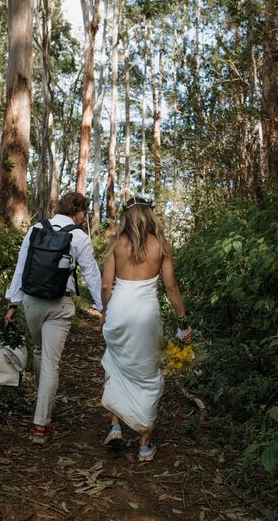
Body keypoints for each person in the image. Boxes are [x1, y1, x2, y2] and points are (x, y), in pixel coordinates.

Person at [99, 197, 192, 462]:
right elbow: (171, 286)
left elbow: (107, 286)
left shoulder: (116, 244)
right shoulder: (161, 245)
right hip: (147, 314)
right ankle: (144, 444)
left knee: (116, 365)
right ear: (149, 215)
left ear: (127, 217)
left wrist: (105, 313)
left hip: (119, 310)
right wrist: (183, 320)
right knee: (149, 372)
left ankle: (115, 426)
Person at [5, 192, 102, 445]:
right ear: (78, 210)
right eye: (85, 213)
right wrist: (104, 308)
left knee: (40, 352)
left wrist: (13, 303)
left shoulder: (36, 228)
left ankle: (42, 405)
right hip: (60, 304)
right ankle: (41, 424)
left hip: (32, 302)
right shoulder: (79, 237)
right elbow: (92, 276)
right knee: (50, 362)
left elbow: (21, 267)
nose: (85, 218)